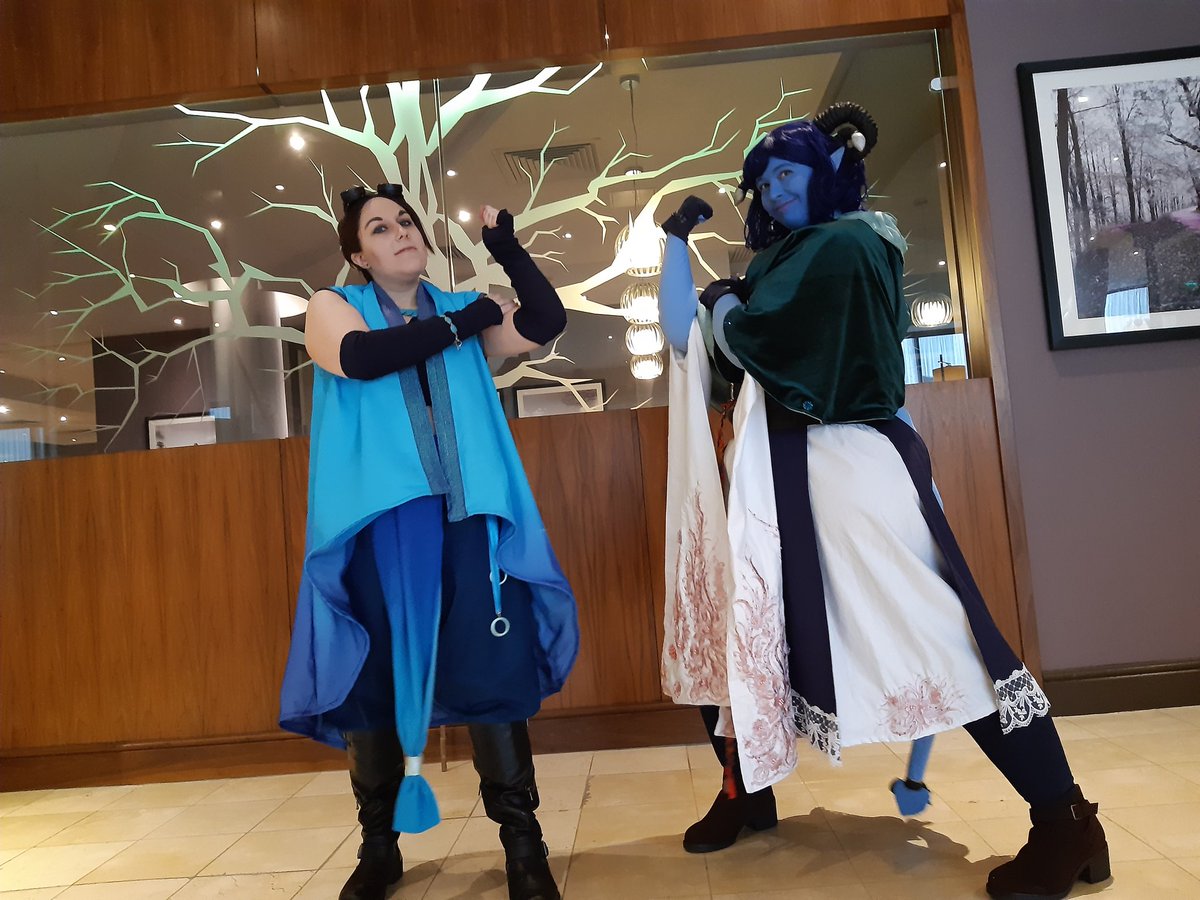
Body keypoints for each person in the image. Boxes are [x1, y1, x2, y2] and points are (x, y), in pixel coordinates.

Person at [657, 103, 1110, 900]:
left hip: (848, 471)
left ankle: (1065, 821)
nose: (774, 190)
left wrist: (726, 307)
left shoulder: (848, 245)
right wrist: (677, 251)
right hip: (781, 479)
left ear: (829, 170)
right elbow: (701, 348)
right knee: (743, 635)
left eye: (789, 171)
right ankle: (746, 789)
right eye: (763, 181)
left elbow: (760, 343)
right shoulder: (787, 259)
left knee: (946, 641)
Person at [279, 183, 578, 900]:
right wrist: (465, 321)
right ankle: (379, 848)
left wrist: (506, 250)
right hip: (379, 527)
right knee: (374, 684)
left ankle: (524, 847)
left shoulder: (458, 309)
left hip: (467, 519)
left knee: (492, 672)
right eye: (379, 228)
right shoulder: (333, 306)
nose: (401, 232)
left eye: (406, 221)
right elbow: (361, 357)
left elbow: (545, 319)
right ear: (359, 254)